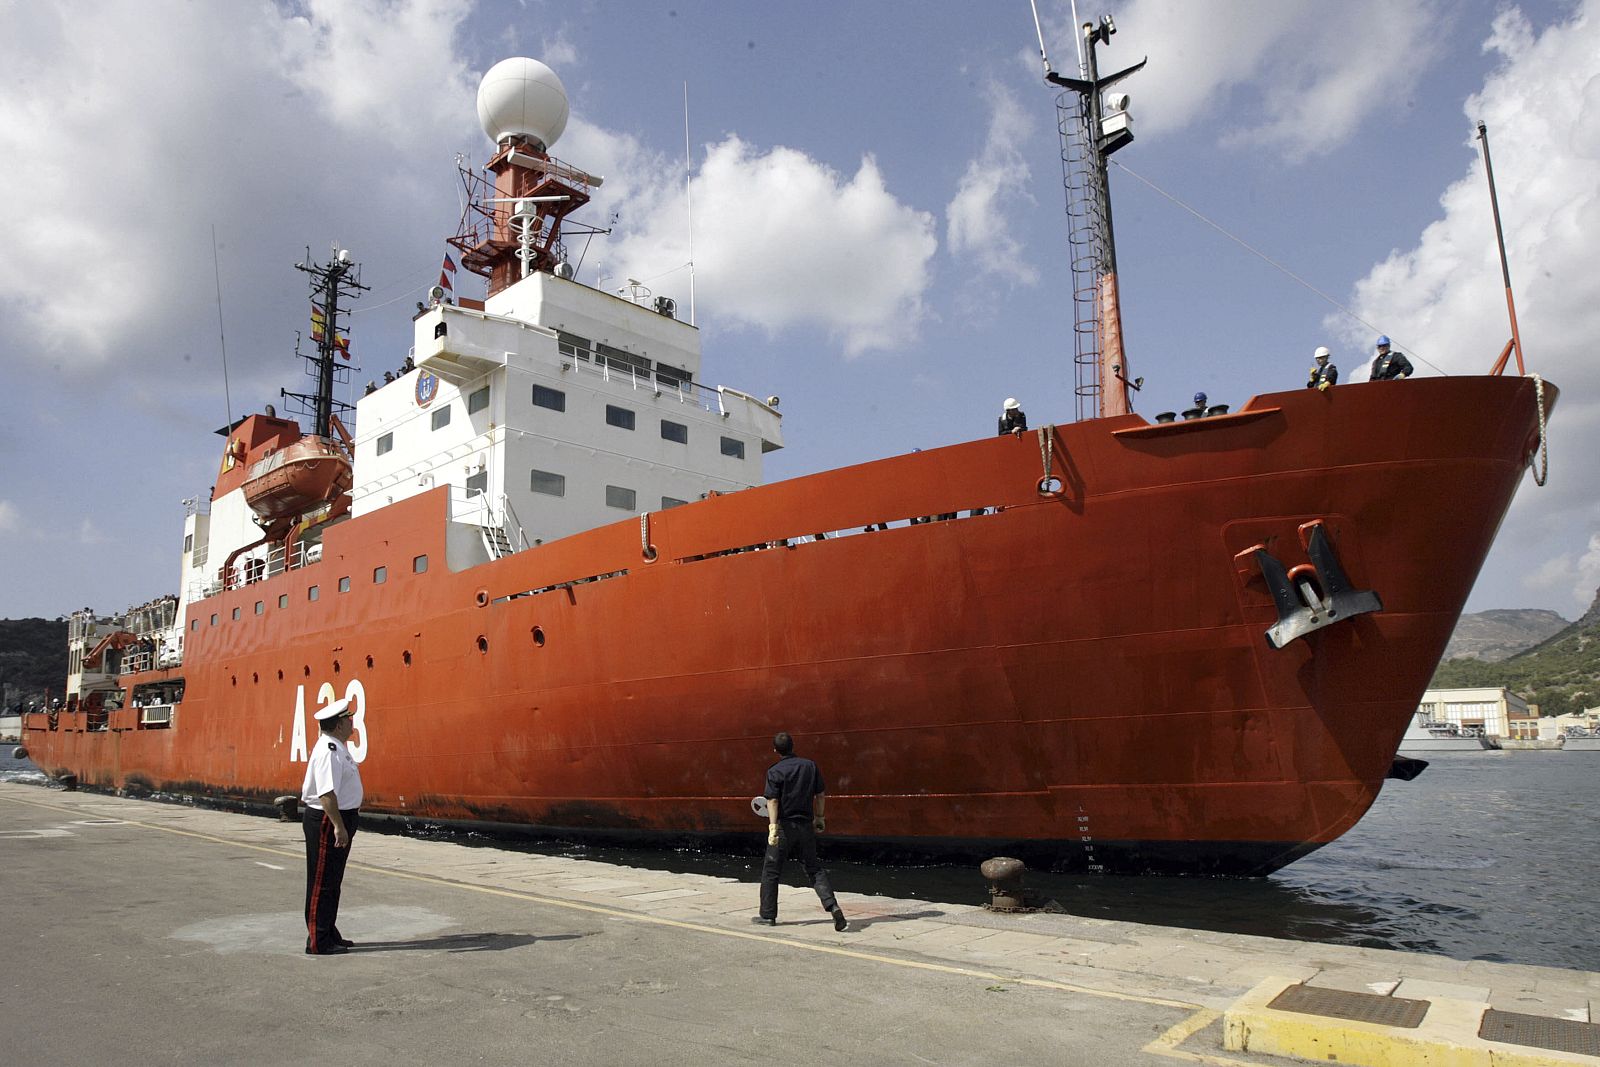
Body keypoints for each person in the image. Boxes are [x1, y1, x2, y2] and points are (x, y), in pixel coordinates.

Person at [755, 731, 847, 931]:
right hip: (805, 826)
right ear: (793, 746)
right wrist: (820, 818)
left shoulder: (775, 771)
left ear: (775, 750)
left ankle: (767, 916)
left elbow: (772, 800)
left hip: (784, 827)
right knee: (814, 869)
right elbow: (820, 794)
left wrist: (772, 828)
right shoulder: (810, 766)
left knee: (771, 871)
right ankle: (833, 907)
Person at [302, 697, 363, 955]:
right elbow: (327, 795)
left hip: (338, 818)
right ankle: (318, 941)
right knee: (322, 881)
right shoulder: (329, 750)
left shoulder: (336, 746)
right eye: (348, 718)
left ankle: (328, 930)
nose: (352, 722)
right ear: (339, 725)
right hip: (328, 820)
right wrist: (338, 826)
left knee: (332, 880)